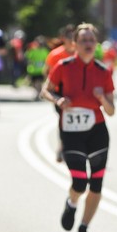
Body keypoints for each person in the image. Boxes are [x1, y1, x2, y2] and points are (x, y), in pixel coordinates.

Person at [40, 23, 115, 232]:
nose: (88, 44)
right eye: (83, 40)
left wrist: (102, 98)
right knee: (80, 182)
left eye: (92, 40)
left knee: (97, 184)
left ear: (96, 44)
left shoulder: (103, 72)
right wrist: (58, 100)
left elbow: (112, 110)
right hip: (71, 131)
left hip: (97, 131)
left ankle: (84, 227)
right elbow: (46, 90)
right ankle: (72, 203)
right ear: (75, 44)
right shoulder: (63, 66)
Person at [44, 24, 77, 162]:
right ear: (63, 39)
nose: (71, 41)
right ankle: (62, 146)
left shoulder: (80, 53)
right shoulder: (55, 55)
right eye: (69, 38)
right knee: (63, 119)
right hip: (60, 92)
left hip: (77, 91)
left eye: (73, 38)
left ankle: (75, 148)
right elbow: (47, 72)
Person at [25, 35, 49, 100]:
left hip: (41, 70)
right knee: (33, 83)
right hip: (33, 70)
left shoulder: (45, 51)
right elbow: (28, 57)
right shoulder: (33, 50)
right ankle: (38, 93)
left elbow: (47, 60)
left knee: (38, 82)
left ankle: (38, 94)